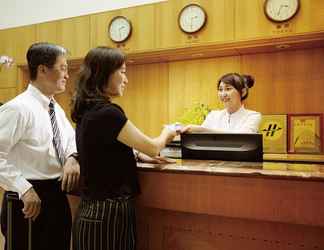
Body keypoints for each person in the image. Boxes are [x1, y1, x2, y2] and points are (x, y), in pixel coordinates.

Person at [71, 46, 177, 250]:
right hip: (108, 212)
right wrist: (169, 131)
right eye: (122, 72)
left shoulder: (88, 110)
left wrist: (137, 155)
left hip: (91, 211)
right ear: (104, 73)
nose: (126, 79)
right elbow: (154, 147)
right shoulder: (109, 112)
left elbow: (103, 149)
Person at [0, 42, 80, 250]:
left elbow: (72, 139)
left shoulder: (55, 108)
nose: (67, 75)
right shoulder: (17, 109)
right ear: (43, 69)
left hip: (56, 195)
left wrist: (72, 157)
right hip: (26, 198)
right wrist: (24, 189)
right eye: (62, 68)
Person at [181, 72, 261, 134]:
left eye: (228, 89)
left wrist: (203, 130)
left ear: (243, 92)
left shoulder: (253, 116)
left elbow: (241, 138)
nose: (223, 94)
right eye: (220, 89)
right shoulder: (213, 115)